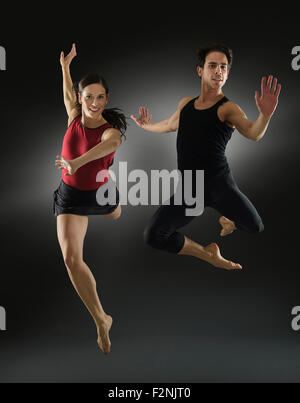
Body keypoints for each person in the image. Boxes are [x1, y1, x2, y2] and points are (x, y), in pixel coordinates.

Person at [131, 44, 281, 270]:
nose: (219, 71)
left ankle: (229, 220)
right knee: (153, 235)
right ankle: (208, 254)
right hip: (191, 190)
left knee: (254, 226)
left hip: (219, 185)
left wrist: (265, 115)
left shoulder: (228, 108)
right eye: (213, 66)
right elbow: (170, 125)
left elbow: (253, 133)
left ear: (227, 73)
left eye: (223, 67)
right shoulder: (186, 104)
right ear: (200, 71)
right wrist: (146, 126)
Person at [53, 43, 127, 354]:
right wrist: (65, 67)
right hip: (71, 196)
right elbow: (68, 92)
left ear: (106, 100)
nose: (94, 103)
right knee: (71, 259)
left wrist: (76, 163)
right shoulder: (73, 114)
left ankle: (115, 205)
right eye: (88, 97)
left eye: (99, 97)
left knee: (114, 213)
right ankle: (101, 319)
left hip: (100, 193)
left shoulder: (112, 133)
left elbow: (104, 149)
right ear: (82, 99)